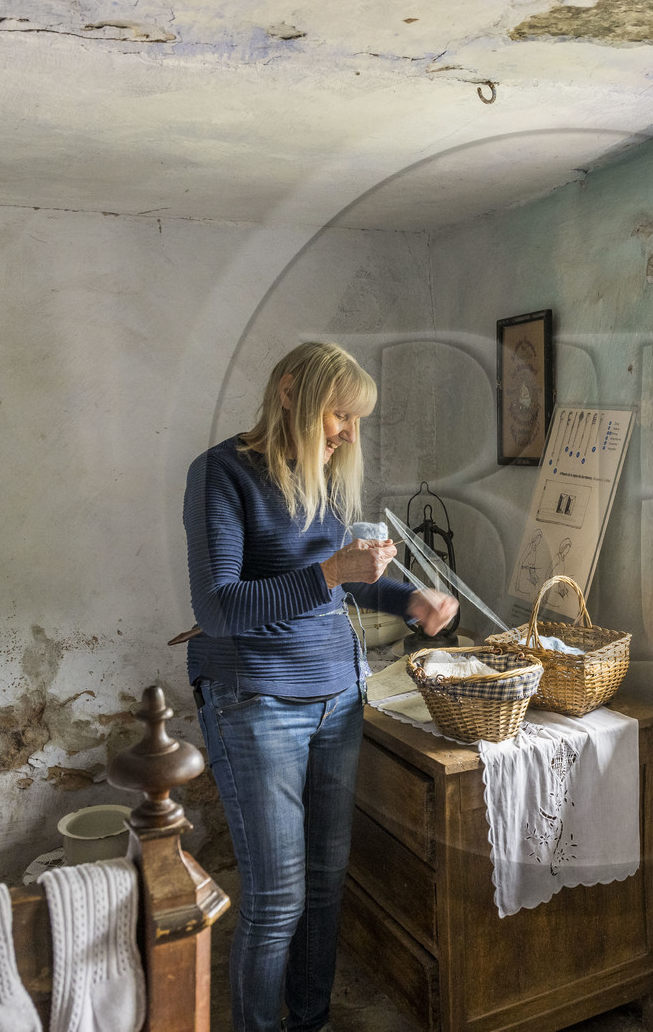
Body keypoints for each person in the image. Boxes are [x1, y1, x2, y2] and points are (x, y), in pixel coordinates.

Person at [183, 341, 457, 1032]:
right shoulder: (221, 473)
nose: (347, 431)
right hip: (255, 701)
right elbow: (218, 608)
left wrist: (408, 600)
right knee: (277, 899)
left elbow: (339, 579)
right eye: (339, 412)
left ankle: (309, 1021)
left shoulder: (327, 477)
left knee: (326, 884)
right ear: (289, 391)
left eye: (356, 419)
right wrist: (334, 572)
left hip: (337, 696)